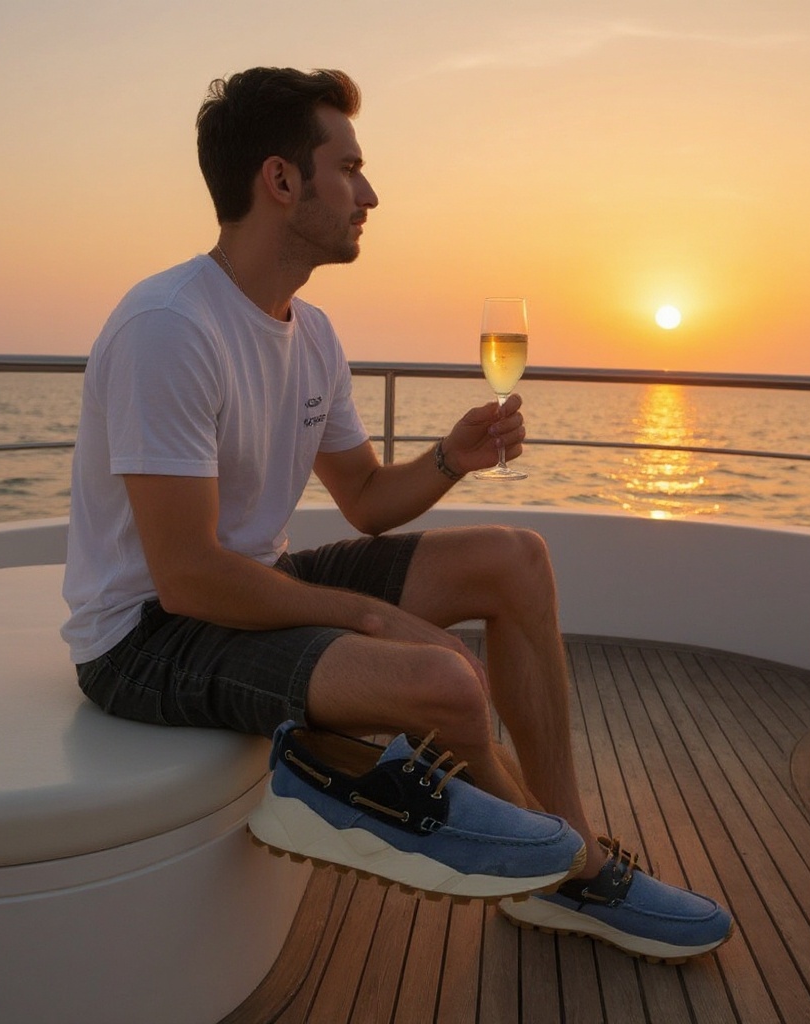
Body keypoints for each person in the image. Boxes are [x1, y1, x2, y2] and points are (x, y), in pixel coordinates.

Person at [62, 67, 731, 961]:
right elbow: (185, 578)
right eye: (350, 168)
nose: (370, 193)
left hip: (247, 584)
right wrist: (376, 619)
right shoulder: (171, 328)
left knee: (518, 558)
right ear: (281, 180)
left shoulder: (314, 332)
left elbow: (367, 501)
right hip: (146, 639)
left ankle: (560, 835)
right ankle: (571, 875)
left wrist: (453, 456)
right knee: (446, 682)